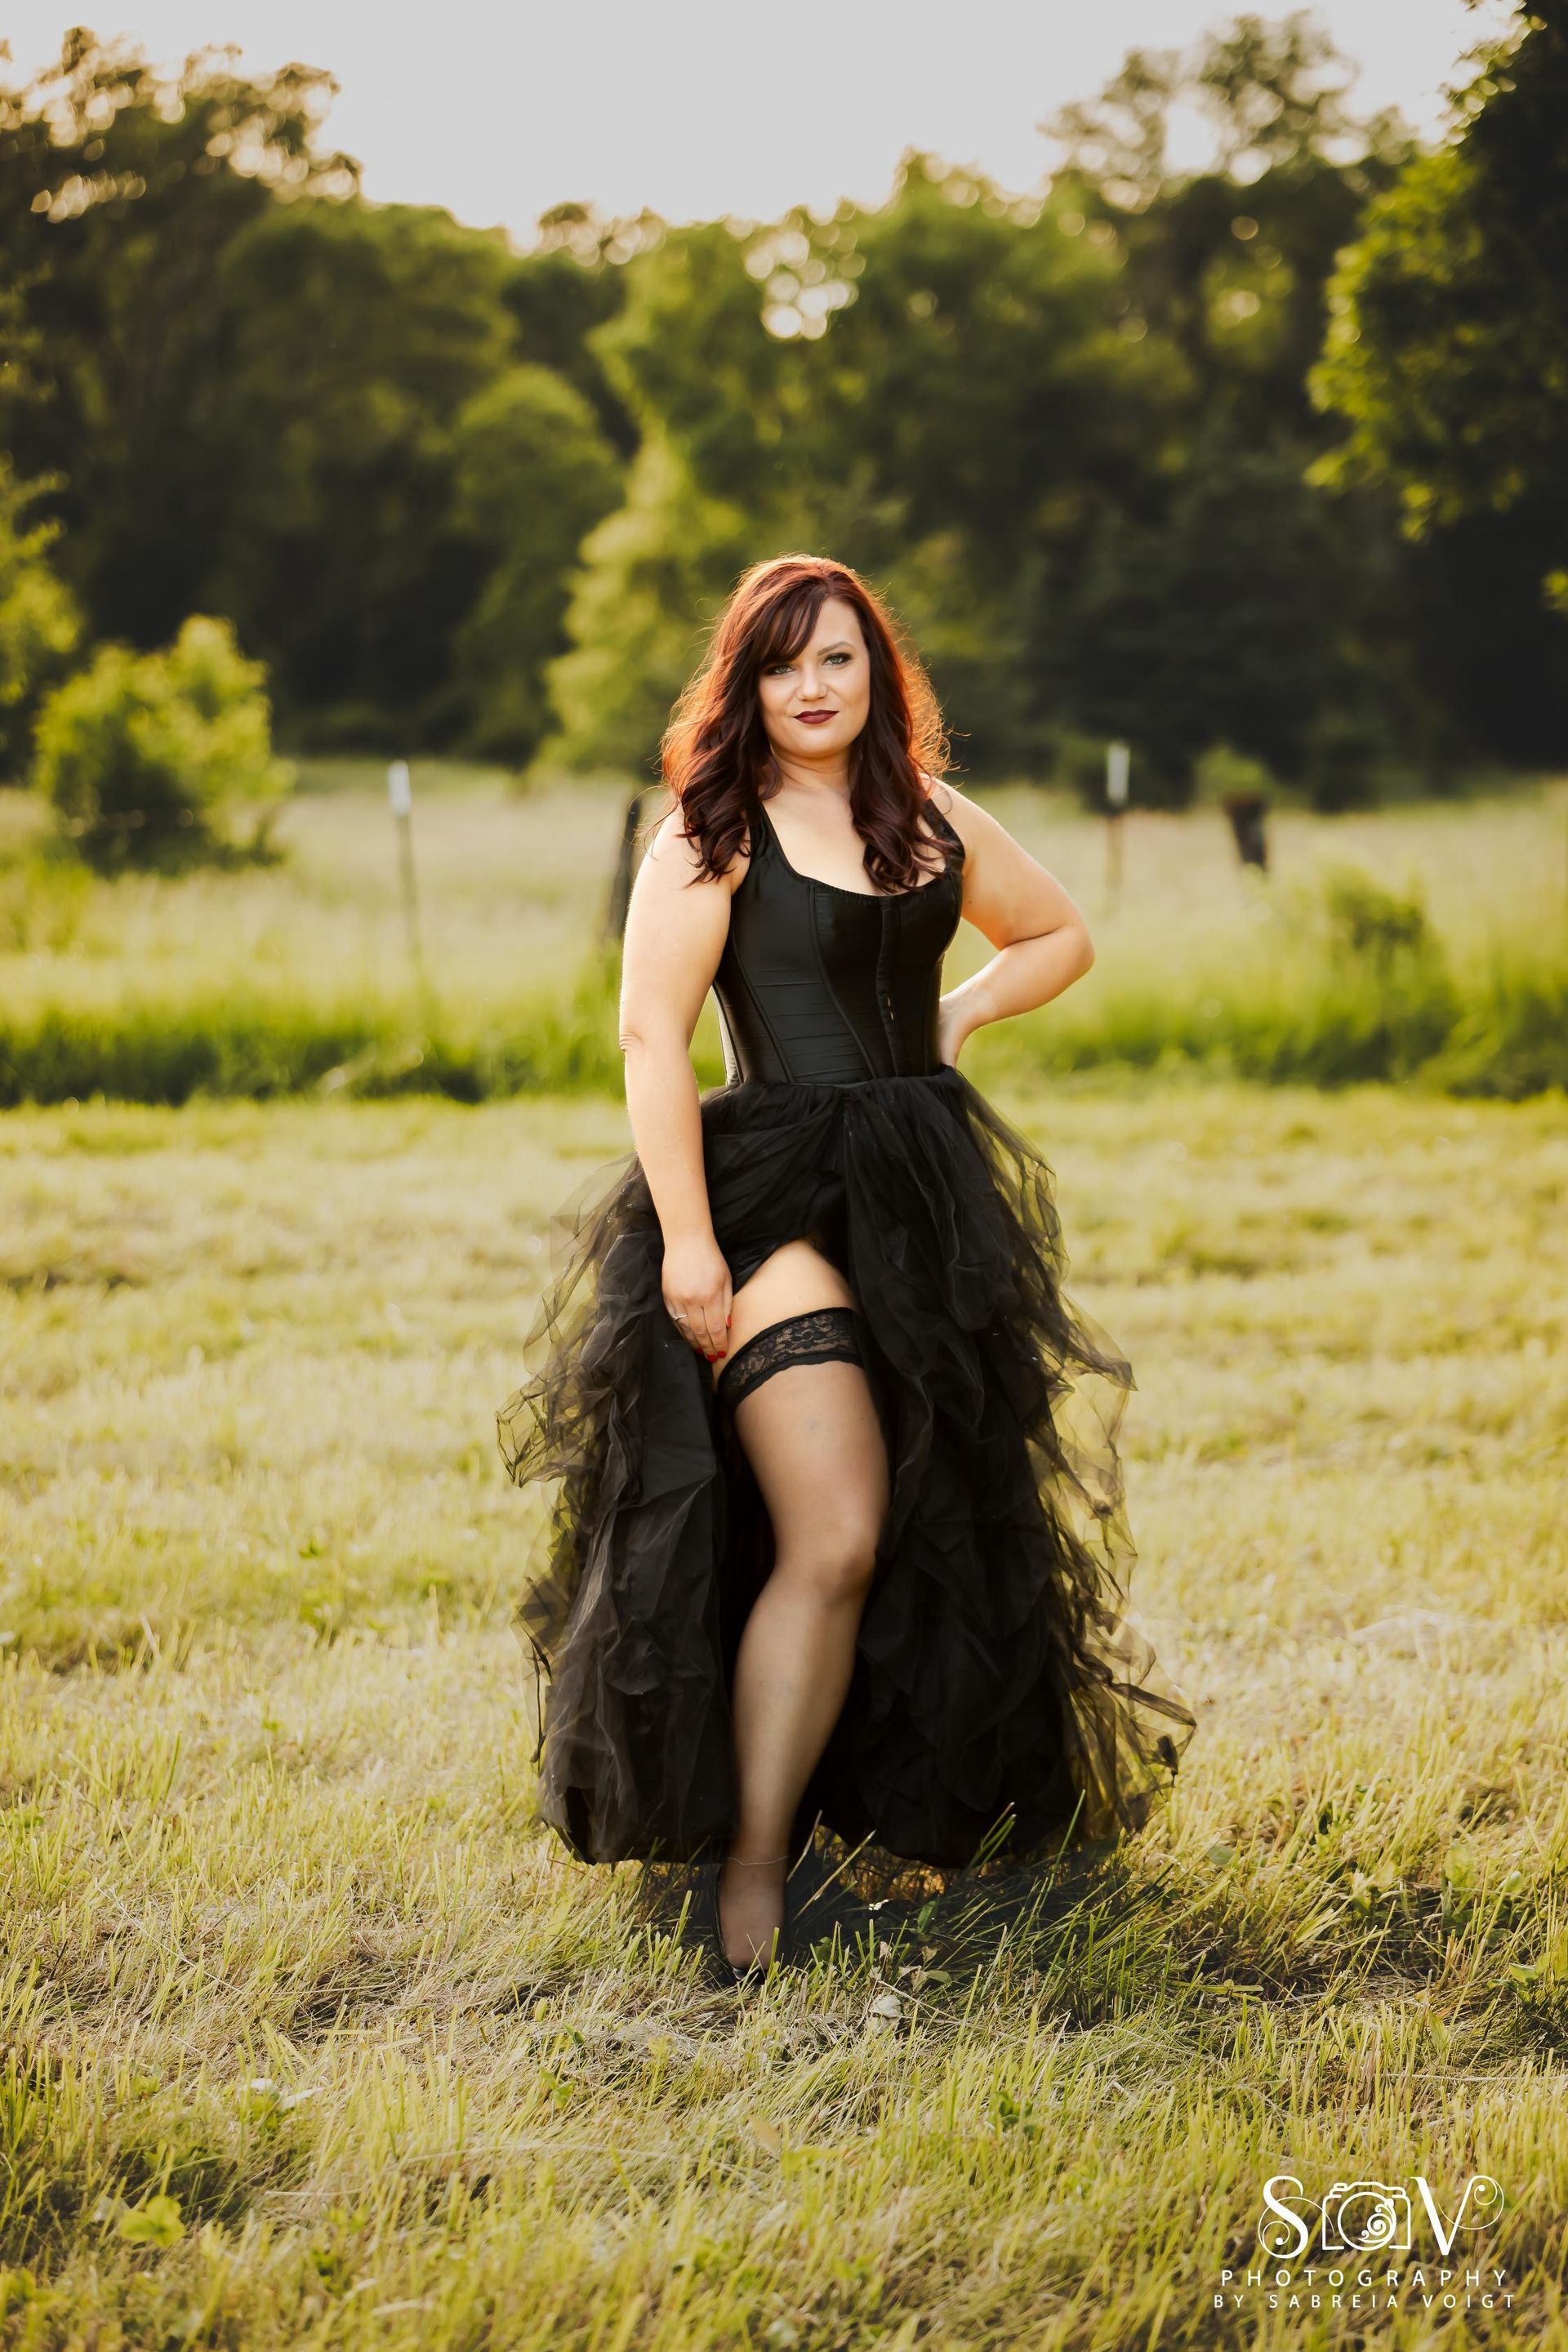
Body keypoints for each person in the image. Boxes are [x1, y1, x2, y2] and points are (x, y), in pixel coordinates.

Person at [498, 554, 1196, 1981]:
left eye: (837, 660)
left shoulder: (929, 815)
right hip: (769, 1207)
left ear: (877, 672)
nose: (811, 689)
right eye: (781, 664)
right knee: (837, 1533)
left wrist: (958, 1014)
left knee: (945, 1514)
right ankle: (753, 1870)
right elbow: (651, 1039)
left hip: (926, 1203)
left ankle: (879, 1821)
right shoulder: (711, 828)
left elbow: (1060, 933)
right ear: (743, 684)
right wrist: (690, 1242)